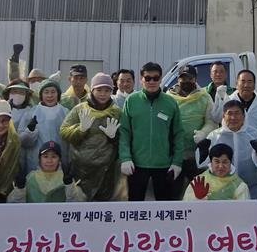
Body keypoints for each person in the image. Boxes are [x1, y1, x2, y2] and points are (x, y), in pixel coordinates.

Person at [119, 63, 185, 201]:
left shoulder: (170, 102)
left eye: (156, 78)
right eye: (148, 78)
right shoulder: (131, 101)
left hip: (164, 165)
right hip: (136, 165)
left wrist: (177, 162)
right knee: (135, 207)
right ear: (141, 79)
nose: (152, 82)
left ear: (161, 79)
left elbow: (178, 134)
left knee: (164, 208)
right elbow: (124, 132)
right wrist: (125, 158)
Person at [198, 100, 257, 199]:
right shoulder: (214, 136)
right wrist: (203, 154)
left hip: (253, 188)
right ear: (223, 116)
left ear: (244, 116)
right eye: (230, 113)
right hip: (222, 189)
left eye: (237, 113)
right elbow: (203, 165)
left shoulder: (255, 135)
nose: (233, 117)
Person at [61, 73, 123, 201]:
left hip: (106, 170)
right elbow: (63, 131)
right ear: (92, 90)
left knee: (102, 205)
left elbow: (126, 138)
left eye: (107, 90)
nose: (103, 94)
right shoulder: (80, 109)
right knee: (80, 202)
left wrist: (114, 137)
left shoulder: (116, 112)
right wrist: (80, 130)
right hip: (81, 169)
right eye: (99, 90)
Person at [167, 65, 218, 188]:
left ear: (195, 79)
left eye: (190, 78)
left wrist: (203, 133)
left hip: (196, 155)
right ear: (178, 79)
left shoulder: (204, 97)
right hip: (174, 156)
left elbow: (211, 121)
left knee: (200, 191)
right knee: (173, 191)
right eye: (183, 78)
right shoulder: (168, 98)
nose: (186, 81)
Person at [212, 69, 257, 154]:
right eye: (243, 81)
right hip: (232, 153)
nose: (246, 85)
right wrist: (220, 99)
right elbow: (217, 120)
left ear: (254, 85)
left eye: (250, 82)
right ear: (236, 84)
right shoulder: (228, 103)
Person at [17, 79, 69, 177]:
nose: (50, 95)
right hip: (35, 163)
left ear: (58, 94)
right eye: (46, 92)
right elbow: (21, 142)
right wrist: (29, 131)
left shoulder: (66, 113)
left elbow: (70, 141)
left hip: (61, 163)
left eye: (53, 92)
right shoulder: (31, 114)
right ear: (41, 95)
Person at [8, 141, 85, 203]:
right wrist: (20, 189)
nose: (49, 160)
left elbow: (79, 203)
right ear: (40, 159)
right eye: (45, 156)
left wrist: (69, 185)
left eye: (54, 157)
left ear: (59, 160)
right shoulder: (30, 178)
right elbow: (13, 204)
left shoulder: (66, 178)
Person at [184, 144, 248, 201]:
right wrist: (199, 199)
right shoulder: (198, 182)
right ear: (211, 162)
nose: (220, 166)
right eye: (217, 161)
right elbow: (187, 207)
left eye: (225, 162)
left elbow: (243, 209)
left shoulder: (239, 186)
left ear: (230, 163)